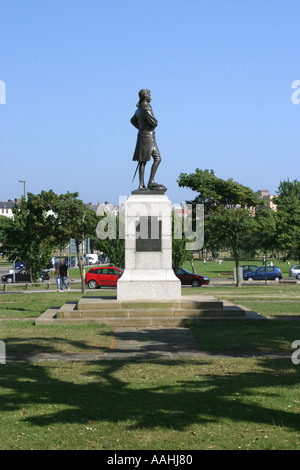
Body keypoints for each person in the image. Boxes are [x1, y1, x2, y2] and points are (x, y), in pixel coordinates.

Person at [131, 89, 166, 191]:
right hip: (149, 137)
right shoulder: (146, 107)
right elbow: (154, 122)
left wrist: (141, 128)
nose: (151, 97)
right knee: (157, 159)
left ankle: (141, 185)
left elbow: (133, 121)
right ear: (145, 97)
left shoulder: (138, 109)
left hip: (142, 136)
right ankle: (150, 181)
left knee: (142, 162)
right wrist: (149, 126)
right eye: (149, 95)